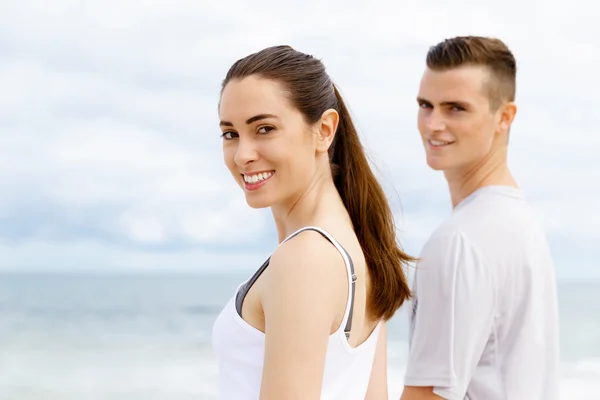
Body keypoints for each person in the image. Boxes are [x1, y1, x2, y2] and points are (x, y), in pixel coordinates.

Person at [211, 45, 414, 399]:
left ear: (324, 130)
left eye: (264, 129)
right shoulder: (361, 247)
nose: (243, 155)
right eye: (231, 134)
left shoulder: (304, 259)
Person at [399, 36, 560, 400]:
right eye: (426, 105)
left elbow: (427, 396)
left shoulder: (460, 240)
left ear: (505, 117)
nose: (433, 124)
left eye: (455, 108)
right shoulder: (519, 222)